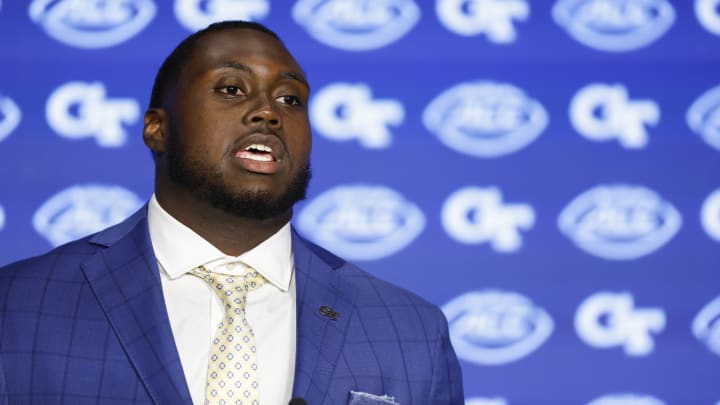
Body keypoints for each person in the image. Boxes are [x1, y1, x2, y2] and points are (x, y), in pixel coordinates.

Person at [0, 21, 464, 405]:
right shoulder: (18, 306)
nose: (267, 112)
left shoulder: (411, 330)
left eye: (290, 99)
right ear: (156, 128)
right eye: (231, 88)